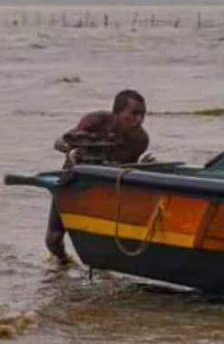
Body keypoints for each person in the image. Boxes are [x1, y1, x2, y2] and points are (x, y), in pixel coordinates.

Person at [46, 89, 151, 263]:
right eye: (133, 114)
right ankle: (63, 265)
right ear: (117, 113)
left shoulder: (140, 140)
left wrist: (143, 166)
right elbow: (61, 141)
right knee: (53, 240)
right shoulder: (97, 121)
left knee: (106, 235)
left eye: (142, 114)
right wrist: (72, 150)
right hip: (75, 181)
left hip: (108, 187)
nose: (139, 120)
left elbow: (129, 169)